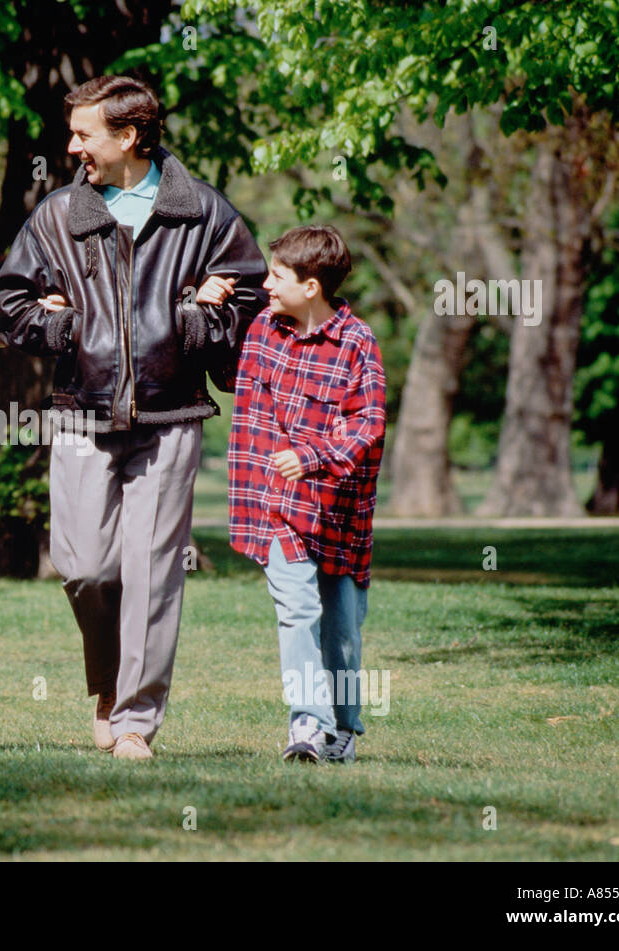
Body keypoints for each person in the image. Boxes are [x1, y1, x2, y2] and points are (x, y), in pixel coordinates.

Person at [0, 75, 267, 760]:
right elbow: (10, 299)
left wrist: (197, 320)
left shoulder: (202, 212)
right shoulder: (59, 214)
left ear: (130, 136)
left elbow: (252, 297)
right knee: (84, 566)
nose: (72, 146)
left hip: (171, 413)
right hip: (82, 412)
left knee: (152, 568)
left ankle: (136, 718)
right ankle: (110, 684)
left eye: (84, 134)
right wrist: (62, 331)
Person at [227, 224, 386, 763]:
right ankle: (307, 726)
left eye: (276, 276)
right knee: (297, 613)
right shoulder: (262, 331)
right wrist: (204, 303)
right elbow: (245, 405)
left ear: (311, 286)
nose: (265, 285)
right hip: (278, 510)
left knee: (341, 631)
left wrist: (313, 457)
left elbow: (368, 425)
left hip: (338, 512)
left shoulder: (356, 342)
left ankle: (344, 728)